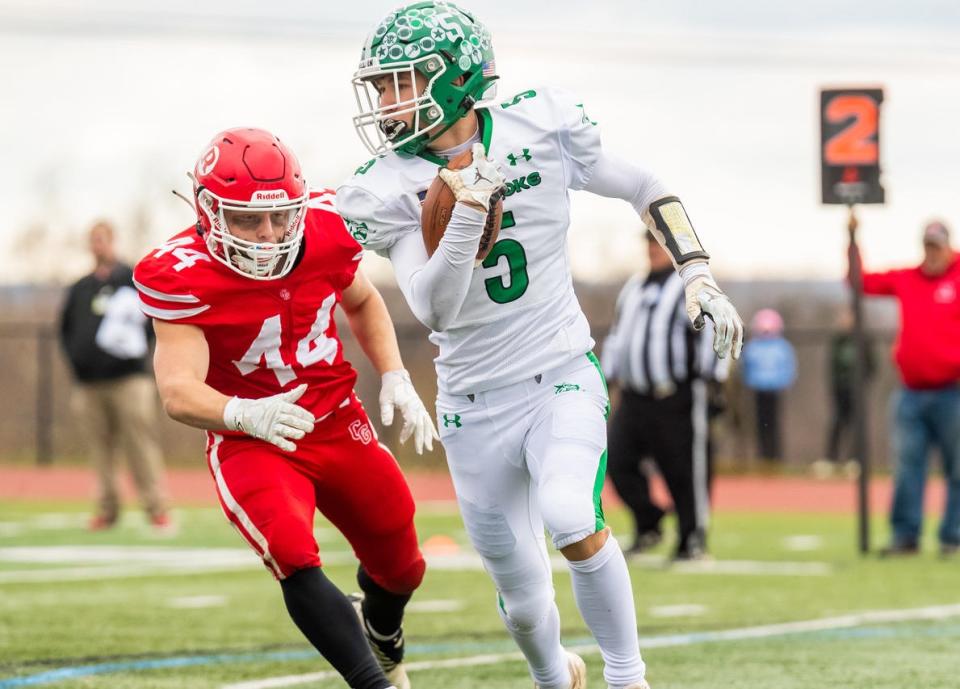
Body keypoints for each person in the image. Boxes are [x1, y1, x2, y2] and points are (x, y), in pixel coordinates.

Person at [337, 4, 744, 688]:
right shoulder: (387, 185)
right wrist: (465, 210)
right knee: (524, 598)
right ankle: (558, 677)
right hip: (471, 399)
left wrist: (695, 269)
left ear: (453, 82)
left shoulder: (540, 125)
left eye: (399, 82)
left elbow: (645, 186)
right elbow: (434, 303)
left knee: (568, 510)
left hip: (559, 371)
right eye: (381, 86)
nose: (385, 102)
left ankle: (627, 676)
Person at [134, 127, 438, 689]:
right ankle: (372, 682)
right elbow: (178, 390)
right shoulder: (180, 273)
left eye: (279, 217)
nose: (268, 235)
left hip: (335, 419)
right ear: (208, 211)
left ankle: (381, 627)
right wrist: (247, 415)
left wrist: (394, 373)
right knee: (292, 550)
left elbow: (364, 300)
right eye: (248, 219)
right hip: (251, 437)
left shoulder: (327, 227)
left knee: (403, 565)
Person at [602, 232, 729, 561]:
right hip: (634, 395)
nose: (652, 251)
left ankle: (692, 538)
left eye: (658, 244)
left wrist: (713, 382)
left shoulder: (691, 287)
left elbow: (716, 331)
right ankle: (649, 523)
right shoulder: (634, 286)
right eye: (648, 244)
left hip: (675, 394)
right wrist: (607, 376)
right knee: (617, 461)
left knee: (683, 469)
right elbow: (618, 336)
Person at [852, 216, 960, 557]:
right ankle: (905, 536)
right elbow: (860, 283)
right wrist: (852, 240)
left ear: (948, 248)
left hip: (953, 390)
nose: (932, 254)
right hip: (911, 391)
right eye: (928, 247)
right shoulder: (907, 279)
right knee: (907, 468)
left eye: (937, 247)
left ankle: (953, 537)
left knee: (957, 467)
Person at [58, 220, 170, 531]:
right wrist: (79, 364)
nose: (98, 246)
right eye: (93, 240)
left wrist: (136, 355)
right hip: (89, 385)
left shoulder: (131, 279)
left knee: (140, 443)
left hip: (129, 381)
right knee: (100, 449)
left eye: (102, 240)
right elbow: (65, 331)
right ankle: (108, 509)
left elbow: (152, 323)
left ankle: (156, 507)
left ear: (112, 241)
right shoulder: (80, 288)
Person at [811, 307, 875, 479]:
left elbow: (872, 366)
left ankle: (855, 461)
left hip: (857, 390)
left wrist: (862, 384)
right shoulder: (838, 340)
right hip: (840, 389)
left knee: (856, 425)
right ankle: (830, 460)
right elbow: (831, 366)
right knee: (838, 422)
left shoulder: (864, 339)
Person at [740, 308, 796, 463]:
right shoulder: (753, 347)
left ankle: (775, 456)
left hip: (775, 391)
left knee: (774, 424)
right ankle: (763, 456)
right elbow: (746, 368)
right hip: (759, 390)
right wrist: (751, 382)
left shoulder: (782, 347)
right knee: (760, 424)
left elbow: (788, 368)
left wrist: (784, 382)